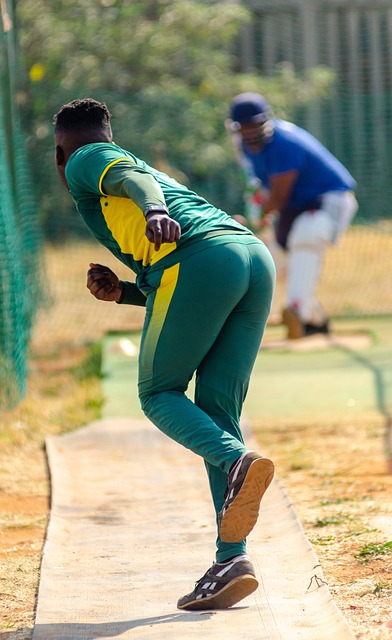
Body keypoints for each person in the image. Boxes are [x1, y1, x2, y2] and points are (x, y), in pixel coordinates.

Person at [53, 98, 276, 610]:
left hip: (199, 257)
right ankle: (231, 559)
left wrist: (153, 207)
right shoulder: (130, 173)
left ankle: (238, 461)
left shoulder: (88, 156)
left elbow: (133, 181)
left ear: (59, 153)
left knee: (158, 393)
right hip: (248, 257)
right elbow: (173, 284)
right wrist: (125, 292)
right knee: (217, 413)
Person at [226, 92, 358, 340]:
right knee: (276, 257)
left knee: (307, 235)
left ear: (266, 120)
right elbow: (260, 188)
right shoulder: (242, 147)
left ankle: (297, 311)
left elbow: (278, 196)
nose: (250, 131)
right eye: (244, 126)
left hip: (330, 199)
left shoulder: (284, 143)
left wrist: (256, 220)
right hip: (293, 206)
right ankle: (314, 318)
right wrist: (255, 211)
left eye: (255, 124)